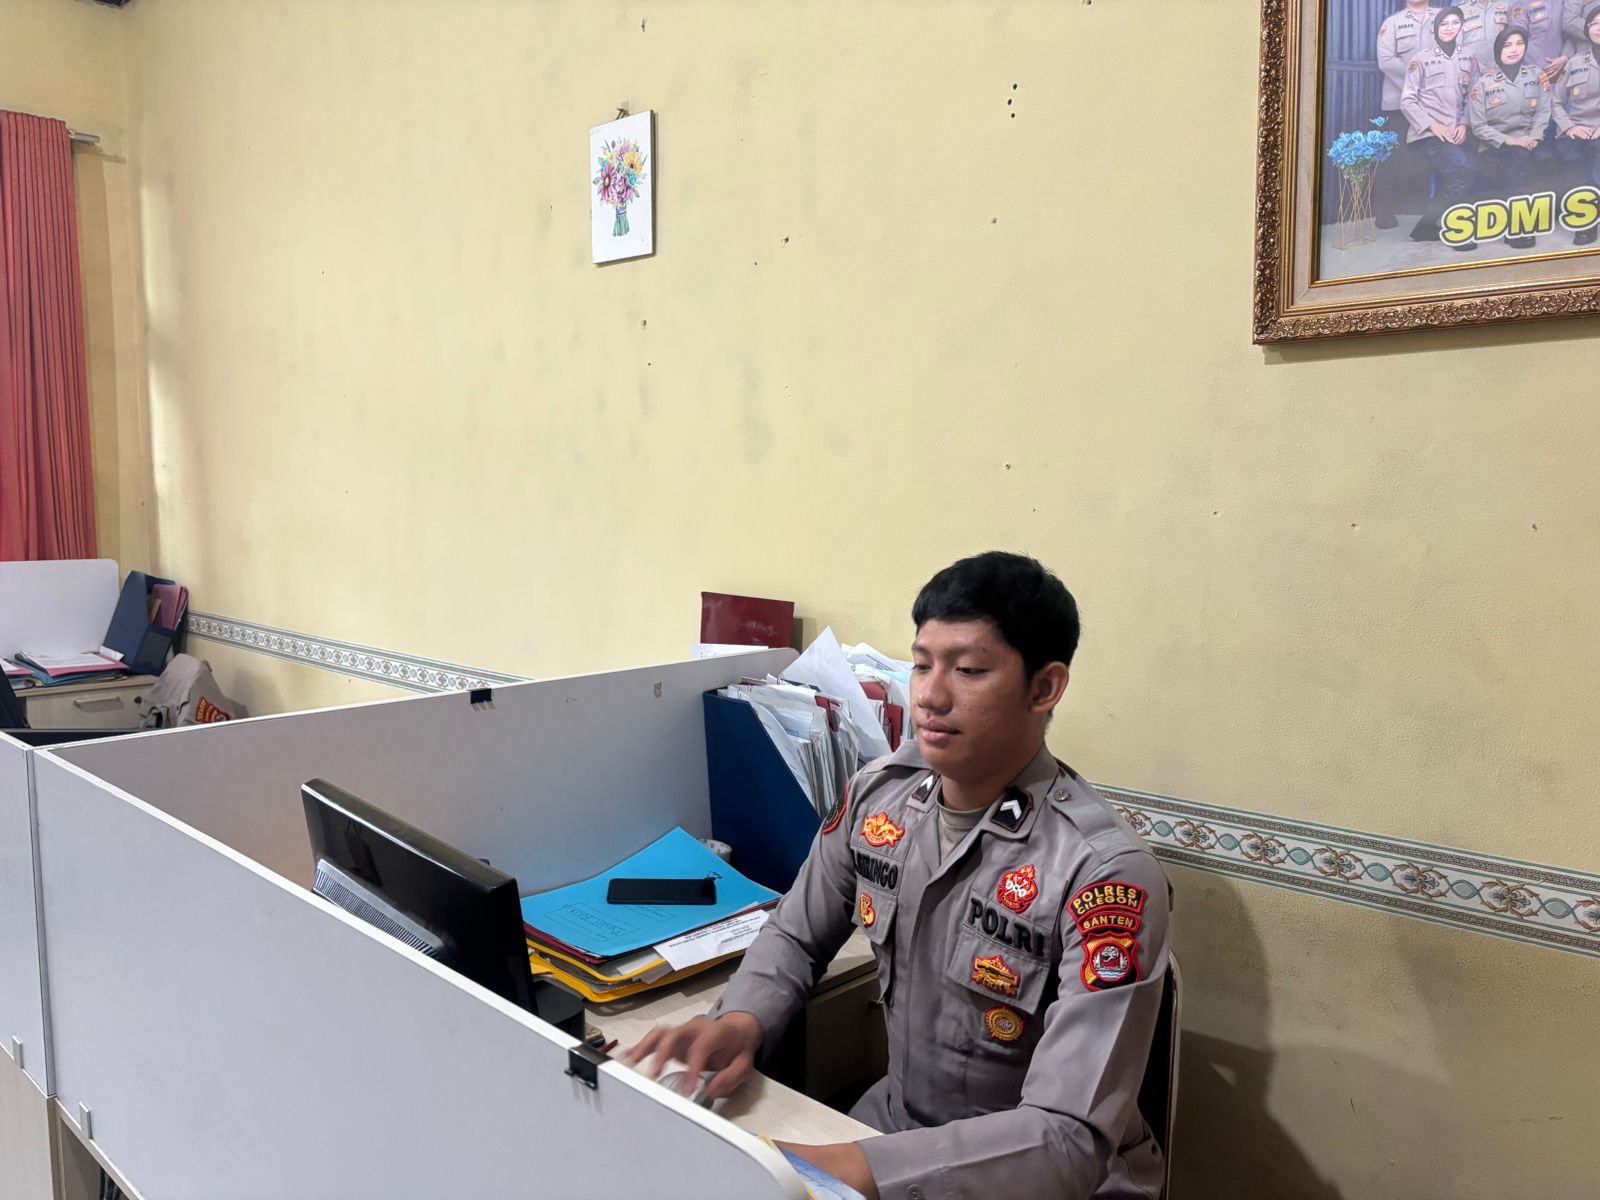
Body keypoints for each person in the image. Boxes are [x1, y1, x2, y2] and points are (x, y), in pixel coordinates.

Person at [626, 552, 1171, 1200]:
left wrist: (857, 1170)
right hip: (896, 1125)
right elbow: (796, 935)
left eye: (968, 670)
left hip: (1048, 1176)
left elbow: (1068, 1137)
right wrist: (742, 1020)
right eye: (922, 664)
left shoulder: (1101, 874)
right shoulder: (878, 796)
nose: (930, 696)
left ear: (1044, 688)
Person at [1470, 26, 1555, 246]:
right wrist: (1511, 141)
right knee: (1519, 158)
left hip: (1531, 141)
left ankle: (1528, 219)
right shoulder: (1483, 84)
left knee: (1537, 157)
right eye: (1507, 45)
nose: (1514, 49)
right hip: (1495, 146)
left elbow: (1544, 110)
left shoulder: (1537, 75)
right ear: (1498, 50)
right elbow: (1478, 126)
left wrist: (1535, 137)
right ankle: (1515, 228)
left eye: (1519, 44)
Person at [1402, 7, 1481, 244]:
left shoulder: (1469, 57)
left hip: (1458, 133)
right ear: (1435, 28)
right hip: (1429, 135)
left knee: (1469, 170)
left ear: (1461, 26)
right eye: (1444, 24)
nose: (1449, 28)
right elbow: (1407, 101)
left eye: (1455, 23)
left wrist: (1465, 124)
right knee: (1460, 169)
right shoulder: (1421, 59)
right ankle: (1460, 231)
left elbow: (1474, 96)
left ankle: (1426, 228)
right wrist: (1433, 126)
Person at [1376, 0, 1442, 227]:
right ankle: (1384, 211)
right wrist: (1417, 84)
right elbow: (1386, 62)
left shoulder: (1444, 18)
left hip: (1437, 102)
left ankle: (1429, 208)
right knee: (1392, 158)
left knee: (1433, 155)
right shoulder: (1392, 23)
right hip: (1399, 101)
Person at [1554, 4, 1600, 243]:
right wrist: (1570, 127)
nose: (1599, 28)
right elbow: (1555, 101)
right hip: (1577, 130)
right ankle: (1584, 216)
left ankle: (1587, 222)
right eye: (1595, 23)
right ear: (1587, 29)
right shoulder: (1574, 62)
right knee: (1574, 159)